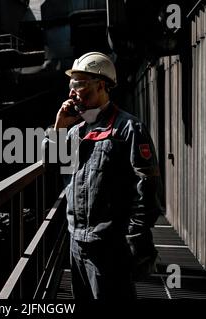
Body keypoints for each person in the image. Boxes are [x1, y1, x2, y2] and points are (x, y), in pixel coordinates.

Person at [45, 52, 163, 300]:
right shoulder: (75, 131)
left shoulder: (128, 129)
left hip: (110, 246)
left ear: (101, 85)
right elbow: (49, 160)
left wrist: (133, 238)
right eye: (71, 85)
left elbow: (148, 189)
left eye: (78, 85)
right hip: (76, 243)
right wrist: (58, 126)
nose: (71, 93)